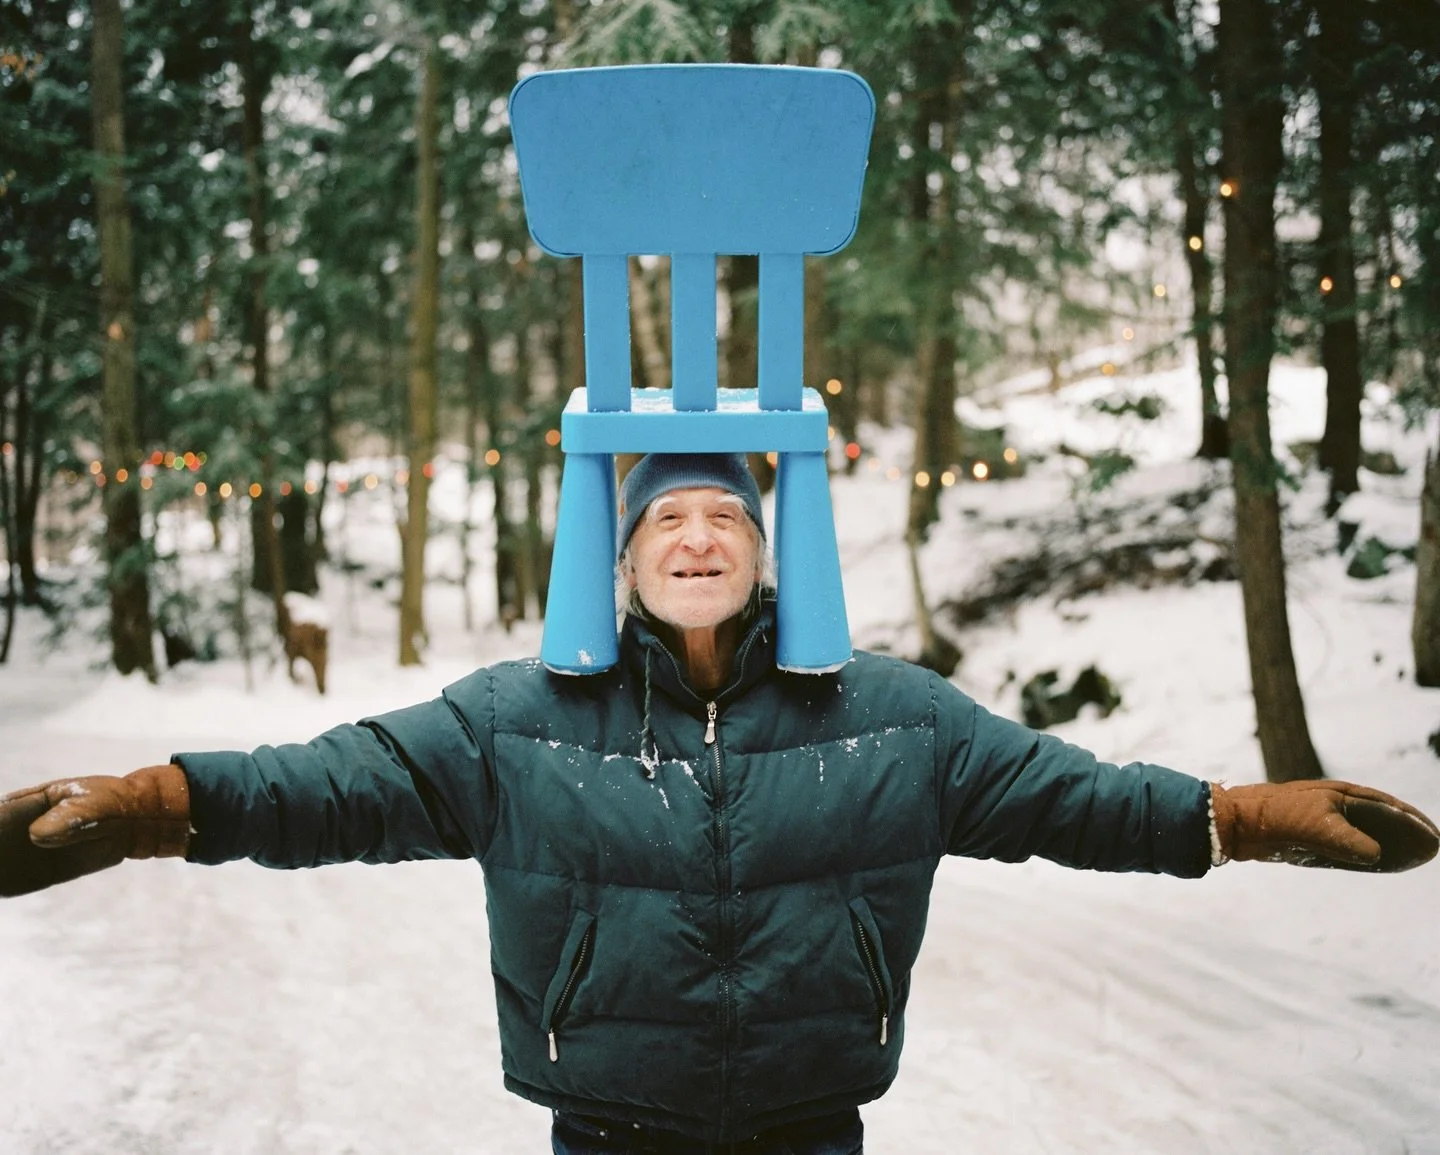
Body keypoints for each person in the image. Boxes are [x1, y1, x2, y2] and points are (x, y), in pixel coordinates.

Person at [2, 451, 1437, 1155]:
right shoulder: (516, 720)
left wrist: (1244, 817)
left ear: (771, 551)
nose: (697, 535)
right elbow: (328, 788)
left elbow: (1075, 799)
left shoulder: (897, 715)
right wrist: (148, 803)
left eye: (728, 517)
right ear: (620, 562)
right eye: (665, 520)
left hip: (812, 1132)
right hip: (608, 1131)